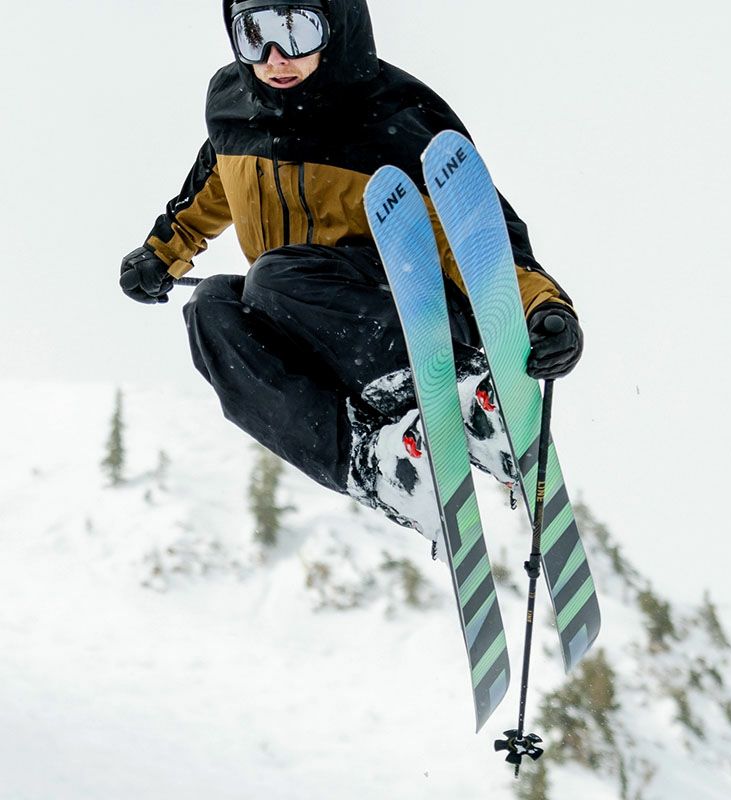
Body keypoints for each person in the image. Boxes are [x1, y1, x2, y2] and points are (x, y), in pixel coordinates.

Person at [119, 0, 583, 560]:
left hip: (412, 320)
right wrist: (161, 254)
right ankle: (378, 466)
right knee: (211, 307)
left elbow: (475, 232)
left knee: (271, 277)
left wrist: (540, 308)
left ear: (335, 27)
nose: (275, 57)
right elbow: (217, 180)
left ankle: (467, 398)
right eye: (254, 34)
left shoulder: (390, 114)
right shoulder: (235, 110)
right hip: (317, 339)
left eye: (295, 30)